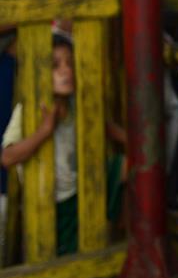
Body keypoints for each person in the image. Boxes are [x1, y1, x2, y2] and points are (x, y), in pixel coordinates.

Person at [1, 33, 125, 256]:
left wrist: (144, 144)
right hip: (49, 206)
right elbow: (7, 158)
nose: (66, 71)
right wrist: (44, 131)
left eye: (70, 63)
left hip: (82, 193)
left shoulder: (76, 105)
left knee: (126, 166)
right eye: (55, 65)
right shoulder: (29, 110)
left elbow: (107, 128)